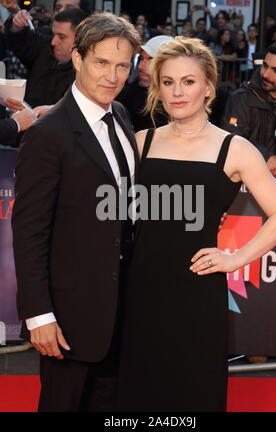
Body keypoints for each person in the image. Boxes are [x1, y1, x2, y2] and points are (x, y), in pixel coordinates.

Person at [116, 36, 276, 412]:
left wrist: (236, 258)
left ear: (208, 87)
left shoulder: (235, 148)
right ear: (157, 88)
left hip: (197, 292)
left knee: (193, 391)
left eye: (188, 81)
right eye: (168, 82)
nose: (177, 92)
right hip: (139, 290)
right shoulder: (140, 142)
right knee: (139, 394)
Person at [11, 12, 140, 412]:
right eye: (102, 62)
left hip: (120, 309)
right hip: (67, 317)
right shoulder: (49, 136)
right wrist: (39, 316)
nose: (113, 76)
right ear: (79, 59)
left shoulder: (120, 116)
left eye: (123, 65)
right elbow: (29, 231)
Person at [221, 41, 276, 176]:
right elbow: (230, 138)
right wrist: (264, 156)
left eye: (275, 70)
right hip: (246, 186)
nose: (265, 74)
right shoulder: (241, 98)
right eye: (265, 65)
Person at [4, 8, 87, 108]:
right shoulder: (44, 47)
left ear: (81, 39)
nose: (54, 42)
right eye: (53, 34)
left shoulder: (87, 73)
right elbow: (19, 41)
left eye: (61, 37)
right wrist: (17, 26)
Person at [117, 35, 173, 131]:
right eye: (141, 59)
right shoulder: (127, 98)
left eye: (150, 60)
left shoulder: (189, 103)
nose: (140, 67)